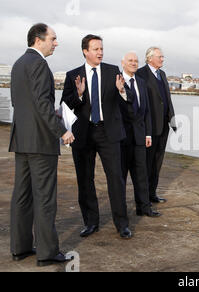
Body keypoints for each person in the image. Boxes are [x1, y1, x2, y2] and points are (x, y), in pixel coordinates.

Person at [9, 23, 74, 267]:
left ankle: (20, 247)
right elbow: (42, 105)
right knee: (45, 198)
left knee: (22, 197)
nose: (56, 43)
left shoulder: (18, 64)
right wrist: (62, 130)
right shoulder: (39, 64)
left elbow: (21, 103)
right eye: (53, 39)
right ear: (39, 40)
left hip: (22, 140)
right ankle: (47, 252)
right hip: (41, 143)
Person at [61, 35, 132, 239]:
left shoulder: (112, 71)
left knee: (116, 179)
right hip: (83, 134)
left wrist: (122, 91)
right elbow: (65, 104)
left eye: (101, 48)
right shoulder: (72, 75)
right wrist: (80, 95)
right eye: (95, 49)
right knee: (85, 180)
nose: (100, 52)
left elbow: (129, 98)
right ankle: (91, 223)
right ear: (85, 51)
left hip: (108, 133)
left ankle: (122, 224)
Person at [119, 52, 161, 218]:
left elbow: (147, 111)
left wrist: (148, 133)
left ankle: (143, 207)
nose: (134, 63)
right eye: (130, 60)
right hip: (121, 138)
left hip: (140, 136)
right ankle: (121, 212)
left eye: (136, 61)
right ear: (123, 63)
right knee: (120, 177)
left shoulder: (141, 83)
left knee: (141, 174)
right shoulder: (116, 82)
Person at [136, 47, 176, 204]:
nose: (162, 59)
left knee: (157, 162)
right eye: (160, 57)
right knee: (146, 163)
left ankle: (152, 193)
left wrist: (172, 119)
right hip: (149, 126)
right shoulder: (141, 74)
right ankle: (143, 197)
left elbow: (167, 99)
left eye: (163, 57)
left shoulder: (162, 74)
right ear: (150, 58)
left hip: (163, 126)